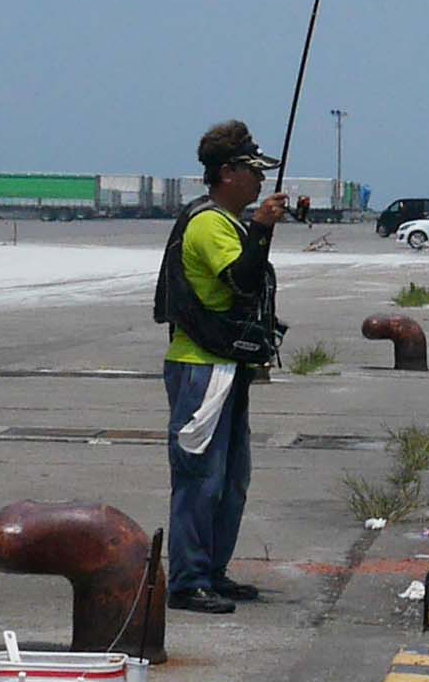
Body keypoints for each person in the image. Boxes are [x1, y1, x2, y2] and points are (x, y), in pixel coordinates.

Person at [159, 119, 289, 614]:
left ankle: (212, 571)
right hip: (201, 368)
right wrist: (262, 228)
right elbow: (241, 280)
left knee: (232, 480)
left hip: (227, 365)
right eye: (253, 171)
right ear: (228, 172)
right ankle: (188, 580)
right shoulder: (210, 223)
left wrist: (257, 228)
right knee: (200, 477)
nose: (261, 181)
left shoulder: (230, 223)